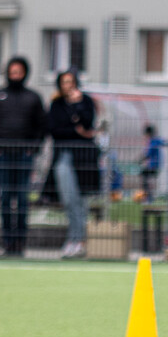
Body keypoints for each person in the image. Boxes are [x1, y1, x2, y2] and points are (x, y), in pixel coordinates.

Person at [0, 56, 45, 256]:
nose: (15, 75)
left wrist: (33, 148)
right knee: (6, 198)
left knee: (23, 199)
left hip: (25, 157)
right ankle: (8, 242)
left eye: (19, 71)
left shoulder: (33, 97)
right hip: (3, 156)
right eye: (12, 71)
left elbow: (41, 127)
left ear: (25, 73)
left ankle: (21, 242)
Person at [45, 67, 99, 259]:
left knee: (81, 201)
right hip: (63, 156)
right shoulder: (56, 104)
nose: (68, 86)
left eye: (71, 82)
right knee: (69, 199)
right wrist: (76, 130)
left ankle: (80, 240)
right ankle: (73, 238)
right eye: (64, 82)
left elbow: (88, 124)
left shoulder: (86, 101)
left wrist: (77, 107)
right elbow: (54, 130)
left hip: (83, 157)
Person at [138, 124, 163, 203]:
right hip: (155, 165)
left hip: (154, 165)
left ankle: (148, 197)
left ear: (148, 133)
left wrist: (140, 159)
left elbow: (149, 153)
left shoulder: (153, 141)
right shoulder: (156, 140)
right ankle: (149, 196)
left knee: (144, 177)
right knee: (146, 178)